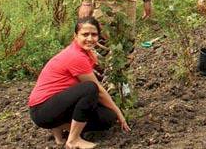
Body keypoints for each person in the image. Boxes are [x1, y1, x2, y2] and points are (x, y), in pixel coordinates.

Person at [28, 17, 130, 149]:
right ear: (75, 36)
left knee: (107, 117)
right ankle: (73, 140)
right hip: (42, 110)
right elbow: (97, 90)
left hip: (55, 105)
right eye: (85, 34)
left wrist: (114, 113)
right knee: (90, 88)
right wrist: (119, 112)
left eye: (94, 34)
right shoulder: (76, 56)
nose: (90, 38)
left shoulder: (83, 51)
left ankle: (58, 127)